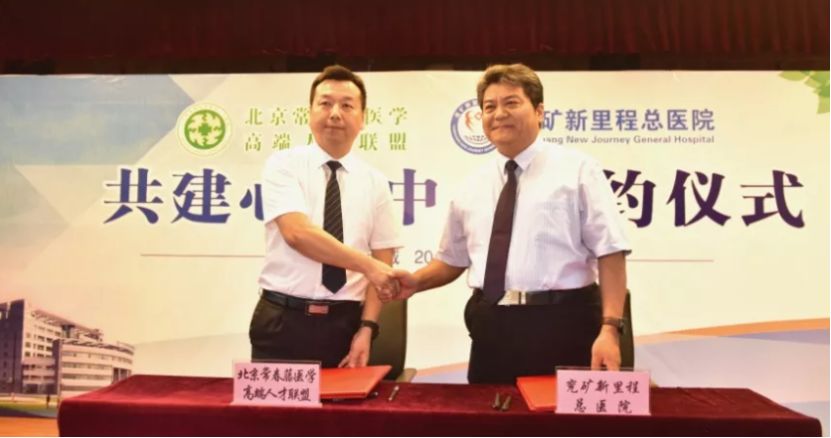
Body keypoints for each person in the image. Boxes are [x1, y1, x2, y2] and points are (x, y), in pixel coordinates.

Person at [386, 64, 630, 383]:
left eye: (511, 103)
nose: (499, 114)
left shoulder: (579, 171)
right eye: (489, 107)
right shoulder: (472, 185)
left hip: (565, 322)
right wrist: (416, 282)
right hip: (492, 326)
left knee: (561, 416)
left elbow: (610, 251)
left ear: (539, 111)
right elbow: (452, 259)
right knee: (490, 412)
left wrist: (610, 328)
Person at [250, 65, 401, 368]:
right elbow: (298, 234)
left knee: (343, 402)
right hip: (282, 321)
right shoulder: (283, 165)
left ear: (363, 118)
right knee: (275, 401)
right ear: (309, 113)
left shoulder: (375, 182)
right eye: (325, 103)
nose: (335, 114)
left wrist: (367, 328)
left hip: (345, 325)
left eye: (347, 105)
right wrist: (367, 266)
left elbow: (383, 259)